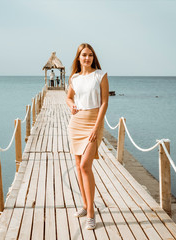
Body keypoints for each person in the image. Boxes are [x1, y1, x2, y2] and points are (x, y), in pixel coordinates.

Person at [66, 43, 109, 230]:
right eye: (84, 55)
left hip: (94, 123)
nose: (87, 58)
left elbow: (104, 103)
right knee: (78, 166)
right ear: (78, 57)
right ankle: (84, 205)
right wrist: (71, 106)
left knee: (85, 166)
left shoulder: (100, 75)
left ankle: (91, 213)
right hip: (76, 123)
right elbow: (69, 97)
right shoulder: (74, 78)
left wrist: (96, 128)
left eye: (90, 55)